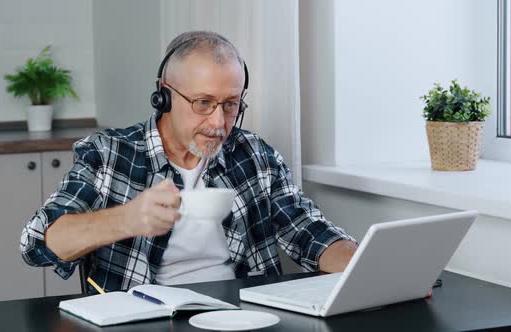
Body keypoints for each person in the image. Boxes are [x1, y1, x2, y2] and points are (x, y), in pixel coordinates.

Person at [21, 31, 357, 293]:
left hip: (244, 319)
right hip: (143, 320)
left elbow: (308, 231)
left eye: (230, 105)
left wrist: (359, 262)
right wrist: (126, 219)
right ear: (163, 95)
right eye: (203, 102)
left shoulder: (254, 154)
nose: (218, 123)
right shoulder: (108, 153)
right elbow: (36, 243)